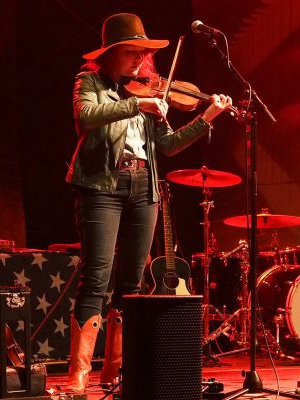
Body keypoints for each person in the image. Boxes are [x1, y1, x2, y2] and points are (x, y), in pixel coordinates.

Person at [64, 13, 232, 393]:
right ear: (109, 55)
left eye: (142, 54)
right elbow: (87, 116)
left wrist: (207, 115)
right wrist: (136, 106)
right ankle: (79, 374)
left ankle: (116, 371)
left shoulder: (149, 95)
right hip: (102, 185)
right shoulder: (90, 82)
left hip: (144, 186)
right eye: (131, 53)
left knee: (132, 281)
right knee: (97, 276)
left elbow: (168, 146)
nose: (139, 60)